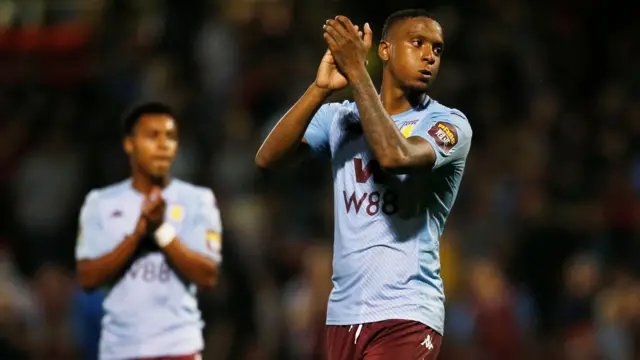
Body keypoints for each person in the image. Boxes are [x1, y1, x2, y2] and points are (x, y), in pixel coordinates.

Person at [256, 9, 472, 360]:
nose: (430, 55)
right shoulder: (340, 118)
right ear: (385, 51)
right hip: (344, 314)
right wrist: (319, 89)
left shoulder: (448, 125)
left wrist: (358, 73)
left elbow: (394, 156)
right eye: (417, 43)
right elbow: (268, 158)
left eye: (437, 48)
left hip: (407, 312)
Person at [75, 102, 222, 360]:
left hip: (180, 349)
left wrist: (162, 232)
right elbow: (88, 279)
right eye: (153, 136)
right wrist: (137, 236)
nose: (163, 145)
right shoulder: (100, 203)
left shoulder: (198, 200)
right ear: (129, 144)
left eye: (171, 137)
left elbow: (208, 276)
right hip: (120, 350)